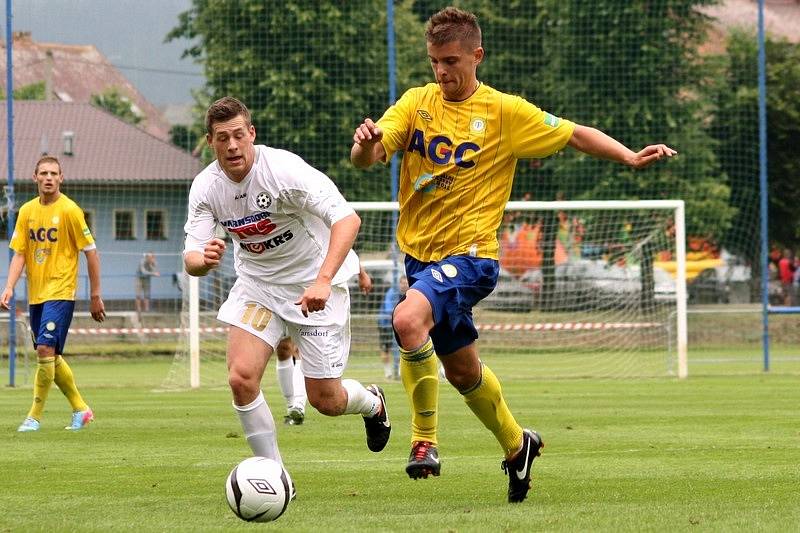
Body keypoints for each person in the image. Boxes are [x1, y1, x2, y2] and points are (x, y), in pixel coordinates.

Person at [351, 6, 676, 503]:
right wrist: (365, 145)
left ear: (477, 55)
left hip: (473, 255)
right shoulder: (416, 103)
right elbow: (370, 157)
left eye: (452, 60)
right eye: (435, 61)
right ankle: (517, 444)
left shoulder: (504, 112)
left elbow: (573, 133)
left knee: (406, 319)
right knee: (462, 372)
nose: (442, 71)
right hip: (421, 259)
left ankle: (423, 441)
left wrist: (629, 155)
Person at [183, 97, 390, 486]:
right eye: (222, 138)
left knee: (325, 402)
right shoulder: (206, 188)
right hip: (258, 288)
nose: (232, 146)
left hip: (314, 286)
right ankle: (276, 477)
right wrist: (203, 259)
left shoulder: (283, 170)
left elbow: (347, 219)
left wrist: (324, 280)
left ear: (252, 134)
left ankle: (373, 403)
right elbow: (191, 257)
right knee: (241, 378)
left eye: (239, 136)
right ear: (210, 141)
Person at [1, 155, 106, 432]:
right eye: (44, 173)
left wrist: (95, 294)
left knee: (45, 349)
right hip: (36, 294)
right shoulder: (26, 212)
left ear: (61, 178)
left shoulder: (70, 210)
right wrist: (9, 286)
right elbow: (20, 253)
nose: (49, 178)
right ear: (34, 177)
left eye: (54, 173)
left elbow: (91, 253)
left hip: (61, 291)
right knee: (50, 354)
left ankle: (34, 416)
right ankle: (81, 409)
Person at [276, 265, 373, 425]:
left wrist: (361, 272)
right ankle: (291, 405)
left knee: (300, 350)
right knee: (283, 350)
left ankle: (298, 405)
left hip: (310, 290)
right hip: (275, 289)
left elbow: (342, 242)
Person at [377, 275, 408, 380]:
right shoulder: (391, 293)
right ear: (399, 283)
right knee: (386, 349)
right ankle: (388, 372)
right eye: (402, 283)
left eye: (406, 283)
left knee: (402, 348)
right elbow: (388, 310)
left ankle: (399, 372)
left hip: (399, 324)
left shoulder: (409, 294)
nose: (404, 285)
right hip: (385, 324)